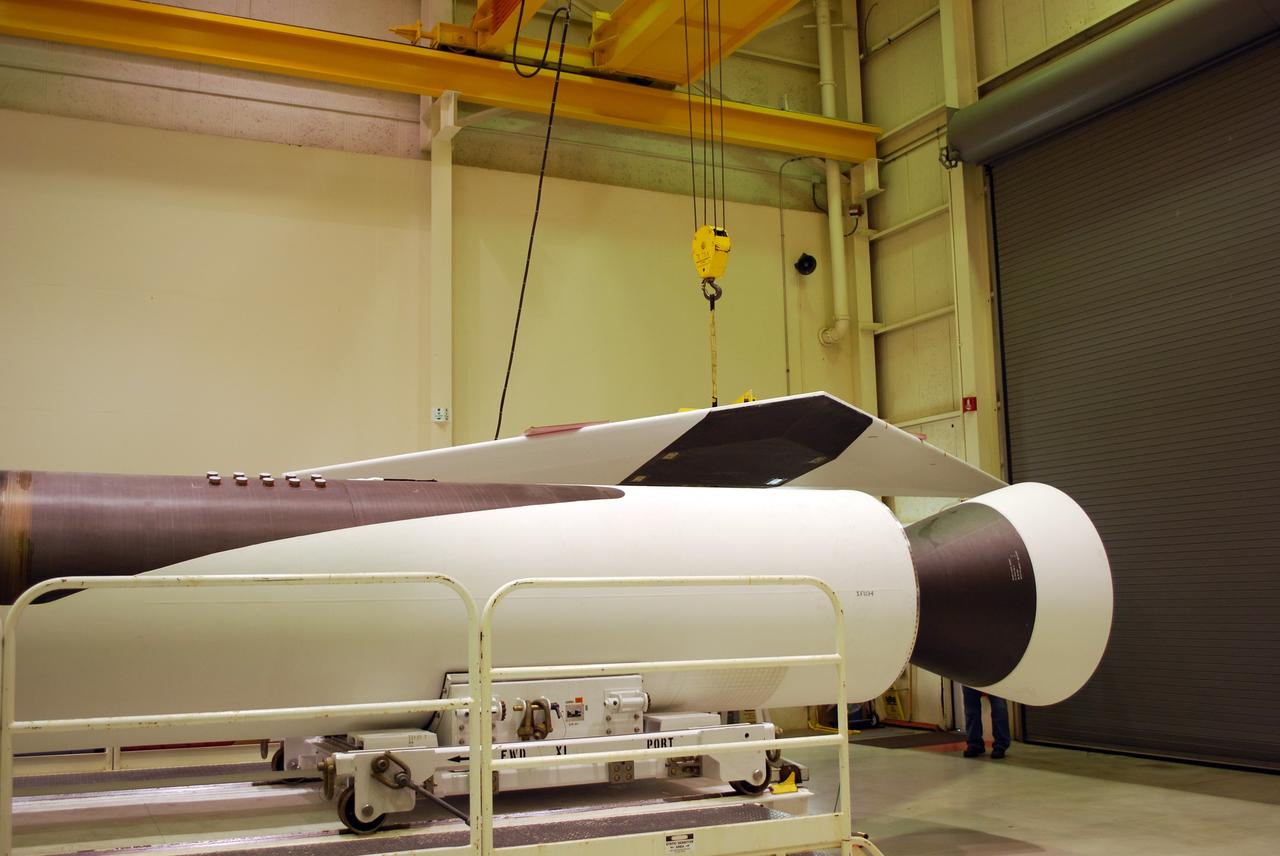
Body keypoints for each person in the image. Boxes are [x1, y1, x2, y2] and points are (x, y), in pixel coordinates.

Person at [962, 686, 1010, 759]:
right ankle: (974, 744)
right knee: (971, 710)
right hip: (969, 676)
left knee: (999, 708)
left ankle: (1000, 745)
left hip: (995, 676)